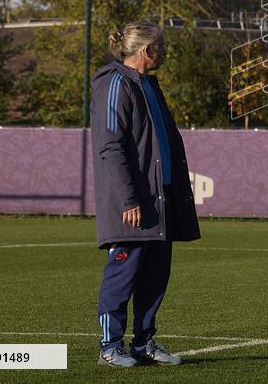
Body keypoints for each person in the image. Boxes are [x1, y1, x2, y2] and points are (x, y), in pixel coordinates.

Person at [90, 21, 201, 367]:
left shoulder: (148, 84)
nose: (165, 51)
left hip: (160, 200)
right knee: (123, 274)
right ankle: (110, 347)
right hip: (133, 204)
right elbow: (110, 147)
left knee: (155, 275)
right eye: (161, 46)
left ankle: (143, 343)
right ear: (146, 50)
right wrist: (128, 199)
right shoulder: (114, 83)